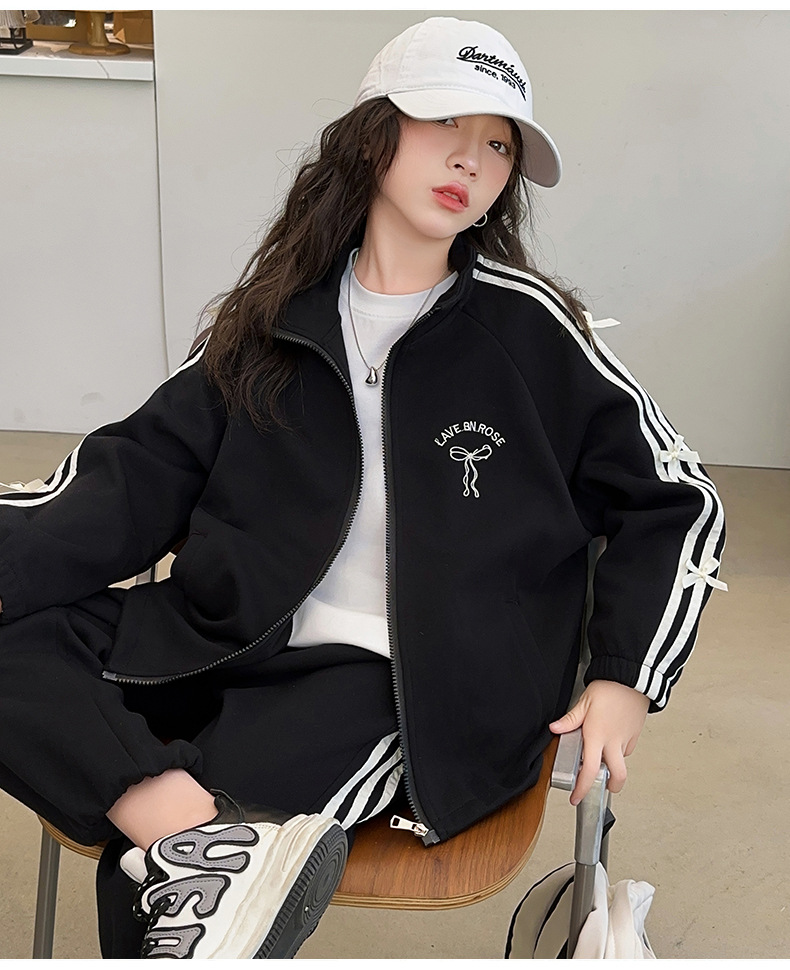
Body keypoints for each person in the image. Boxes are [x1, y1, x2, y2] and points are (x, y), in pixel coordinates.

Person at [0, 16, 726, 960]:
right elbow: (127, 480)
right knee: (154, 836)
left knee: (149, 898)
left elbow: (678, 498)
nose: (471, 160)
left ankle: (190, 847)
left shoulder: (530, 331)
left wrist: (626, 675)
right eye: (445, 123)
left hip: (398, 677)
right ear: (373, 132)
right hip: (225, 633)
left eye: (499, 145)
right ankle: (191, 835)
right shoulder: (272, 320)